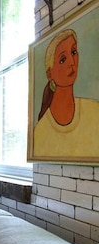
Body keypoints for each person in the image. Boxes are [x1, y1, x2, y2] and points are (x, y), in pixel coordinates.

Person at [34, 28, 99, 158]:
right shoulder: (41, 131)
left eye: (74, 52)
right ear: (49, 73)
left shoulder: (94, 110)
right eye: (63, 59)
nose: (72, 62)